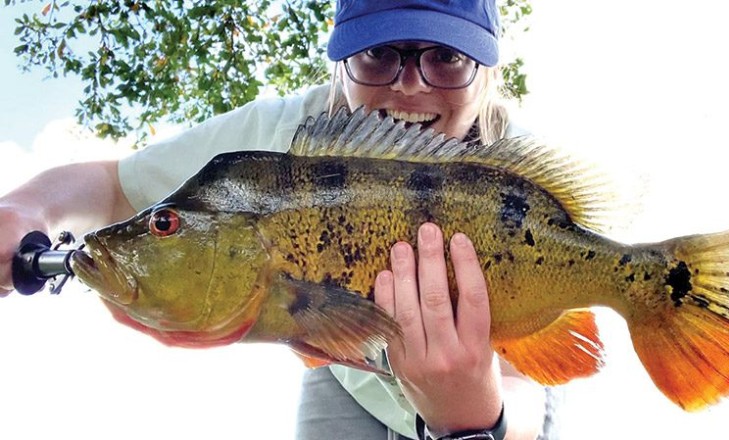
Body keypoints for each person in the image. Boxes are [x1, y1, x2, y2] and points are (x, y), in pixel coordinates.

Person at [0, 1, 557, 438]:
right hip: (351, 382)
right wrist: (26, 208)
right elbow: (111, 184)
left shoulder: (519, 177)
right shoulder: (280, 141)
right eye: (378, 54)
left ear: (486, 70)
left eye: (447, 58)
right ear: (340, 62)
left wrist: (476, 421)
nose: (410, 85)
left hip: (493, 408)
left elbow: (528, 391)